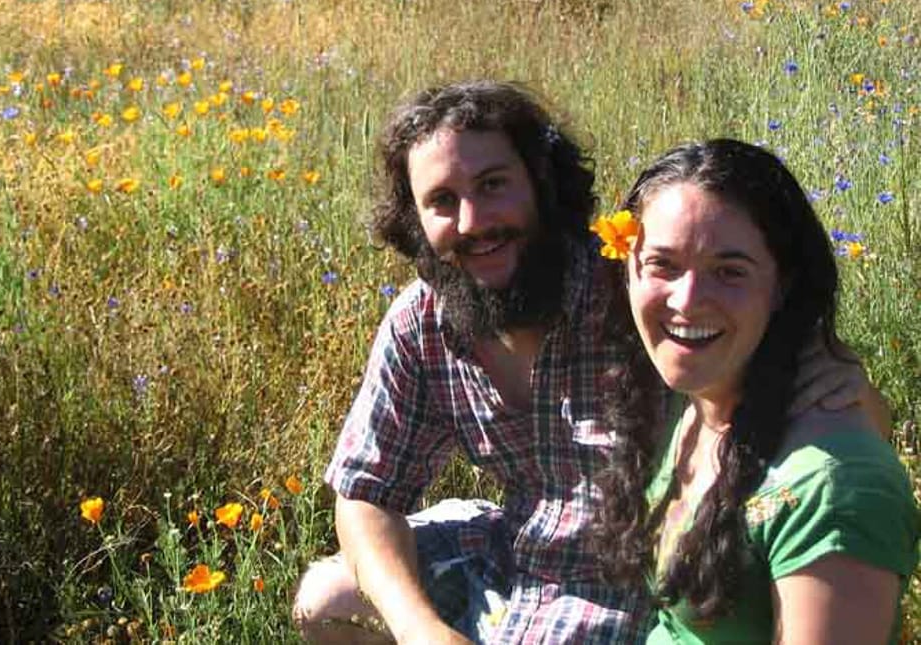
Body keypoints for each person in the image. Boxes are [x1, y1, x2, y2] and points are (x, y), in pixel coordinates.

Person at [292, 82, 888, 644]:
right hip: (515, 545)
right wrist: (421, 629)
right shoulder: (422, 322)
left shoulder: (638, 293)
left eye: (494, 184)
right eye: (442, 201)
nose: (473, 221)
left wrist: (849, 386)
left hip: (636, 579)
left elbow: (833, 433)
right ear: (415, 220)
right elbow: (366, 494)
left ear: (541, 183)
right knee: (326, 598)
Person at [591, 139, 919, 644]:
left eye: (729, 272)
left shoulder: (830, 488)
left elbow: (836, 478)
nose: (688, 301)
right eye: (663, 264)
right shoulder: (697, 395)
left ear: (782, 284)